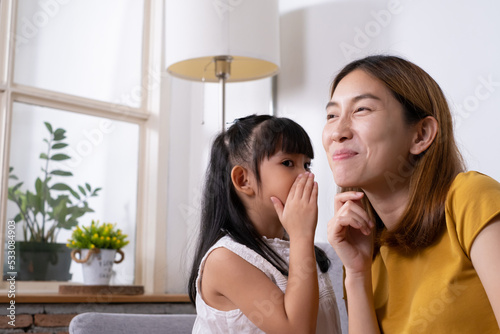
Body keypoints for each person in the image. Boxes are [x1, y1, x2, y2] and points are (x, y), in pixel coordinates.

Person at [323, 55, 500, 333]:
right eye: (332, 115)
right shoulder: (363, 246)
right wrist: (357, 273)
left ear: (421, 135)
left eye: (361, 109)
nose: (337, 132)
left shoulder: (470, 197)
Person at [189, 114, 341, 333]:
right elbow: (296, 330)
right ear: (243, 180)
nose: (306, 176)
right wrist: (301, 235)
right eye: (288, 163)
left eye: (307, 165)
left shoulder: (301, 251)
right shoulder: (225, 259)